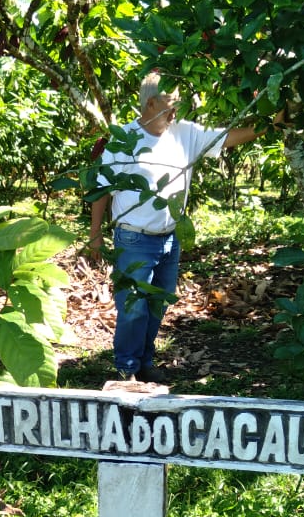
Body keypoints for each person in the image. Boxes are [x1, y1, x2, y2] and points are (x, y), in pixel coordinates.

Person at [88, 72, 282, 383]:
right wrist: (95, 236)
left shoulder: (185, 133)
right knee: (133, 309)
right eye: (170, 101)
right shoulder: (123, 141)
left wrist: (271, 123)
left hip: (168, 239)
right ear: (150, 104)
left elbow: (228, 136)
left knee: (156, 306)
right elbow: (101, 190)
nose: (177, 107)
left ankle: (144, 362)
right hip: (133, 238)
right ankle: (126, 369)